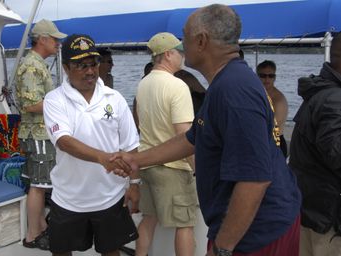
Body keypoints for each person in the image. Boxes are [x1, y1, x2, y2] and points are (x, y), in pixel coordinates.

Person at [111, 4, 301, 256]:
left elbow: (255, 180)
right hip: (248, 226)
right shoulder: (223, 83)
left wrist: (222, 248)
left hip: (257, 232)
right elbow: (192, 138)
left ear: (201, 41)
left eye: (184, 36)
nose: (181, 44)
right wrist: (136, 159)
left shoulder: (233, 91)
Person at [43, 34, 140, 256]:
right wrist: (102, 157)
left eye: (93, 64)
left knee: (112, 251)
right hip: (68, 198)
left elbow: (131, 144)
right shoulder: (54, 100)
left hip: (110, 196)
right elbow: (64, 141)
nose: (90, 71)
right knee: (61, 251)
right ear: (66, 68)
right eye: (81, 65)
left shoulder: (114, 98)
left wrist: (135, 183)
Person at [134, 32, 197, 256]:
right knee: (186, 224)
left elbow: (141, 123)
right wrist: (197, 167)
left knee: (149, 219)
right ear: (168, 54)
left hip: (148, 164)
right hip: (173, 167)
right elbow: (185, 135)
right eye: (179, 52)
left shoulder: (143, 84)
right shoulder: (178, 86)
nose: (182, 56)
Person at [15, 19, 67, 251]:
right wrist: (62, 105)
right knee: (39, 185)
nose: (58, 43)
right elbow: (30, 104)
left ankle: (40, 227)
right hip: (37, 135)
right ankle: (33, 234)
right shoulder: (31, 66)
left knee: (40, 183)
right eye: (55, 39)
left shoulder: (38, 64)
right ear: (42, 39)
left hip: (41, 134)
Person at [289, 32, 341, 256]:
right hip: (330, 221)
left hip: (312, 211)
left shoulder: (318, 92)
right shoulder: (334, 100)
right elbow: (337, 155)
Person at [257, 60, 289, 157]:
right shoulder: (260, 94)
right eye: (263, 76)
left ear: (274, 78)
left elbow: (273, 130)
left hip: (275, 144)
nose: (267, 79)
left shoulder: (278, 100)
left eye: (270, 76)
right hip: (263, 143)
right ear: (257, 76)